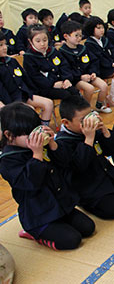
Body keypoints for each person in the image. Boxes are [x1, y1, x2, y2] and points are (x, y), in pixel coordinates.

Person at [0, 102, 95, 250]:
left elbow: (66, 162)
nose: (35, 137)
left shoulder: (42, 145)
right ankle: (33, 233)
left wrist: (52, 144)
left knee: (88, 228)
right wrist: (37, 155)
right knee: (72, 240)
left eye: (36, 131)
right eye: (28, 134)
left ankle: (57, 225)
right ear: (9, 135)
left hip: (60, 204)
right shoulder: (8, 160)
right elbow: (30, 182)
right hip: (39, 214)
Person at [56, 96, 114, 219]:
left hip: (105, 174)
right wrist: (88, 139)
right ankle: (84, 204)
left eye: (90, 115)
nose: (89, 121)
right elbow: (79, 166)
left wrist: (105, 131)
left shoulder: (91, 129)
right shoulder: (61, 143)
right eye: (83, 120)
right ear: (66, 123)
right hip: (87, 186)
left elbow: (111, 150)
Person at [0, 31, 54, 125]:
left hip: (23, 95)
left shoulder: (12, 61)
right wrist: (12, 106)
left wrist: (33, 92)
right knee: (29, 111)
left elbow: (25, 78)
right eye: (0, 45)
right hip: (9, 101)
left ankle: (43, 129)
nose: (5, 47)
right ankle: (33, 135)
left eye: (5, 44)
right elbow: (2, 92)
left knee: (48, 103)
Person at [59, 20, 112, 113]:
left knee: (103, 86)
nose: (79, 38)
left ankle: (99, 105)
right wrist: (80, 77)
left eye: (80, 35)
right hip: (76, 79)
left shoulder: (83, 48)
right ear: (66, 36)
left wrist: (93, 72)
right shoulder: (62, 52)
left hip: (88, 75)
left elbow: (93, 61)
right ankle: (86, 109)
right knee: (89, 88)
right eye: (76, 35)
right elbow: (66, 69)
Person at [84, 16, 114, 106]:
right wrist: (112, 64)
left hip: (109, 64)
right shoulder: (89, 43)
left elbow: (113, 51)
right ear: (91, 29)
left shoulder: (104, 39)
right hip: (100, 68)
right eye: (98, 28)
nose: (101, 30)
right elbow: (97, 58)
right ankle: (112, 96)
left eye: (102, 27)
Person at [23, 24, 79, 100]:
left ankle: (81, 111)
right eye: (38, 41)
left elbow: (64, 65)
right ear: (30, 41)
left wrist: (66, 79)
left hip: (60, 81)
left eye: (45, 40)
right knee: (66, 95)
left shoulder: (53, 51)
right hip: (43, 87)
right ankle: (71, 112)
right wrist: (52, 84)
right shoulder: (29, 57)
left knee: (75, 92)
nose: (42, 44)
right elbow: (35, 77)